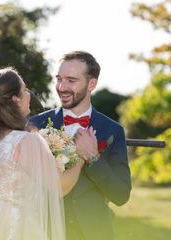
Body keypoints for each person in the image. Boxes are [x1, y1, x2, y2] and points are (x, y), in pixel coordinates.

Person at [0, 67, 84, 240]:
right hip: (16, 229)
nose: (29, 94)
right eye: (25, 90)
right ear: (15, 100)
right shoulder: (25, 141)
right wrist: (81, 154)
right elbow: (59, 187)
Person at [29, 50, 132, 240]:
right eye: (59, 79)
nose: (61, 87)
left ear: (91, 84)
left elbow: (121, 194)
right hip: (45, 231)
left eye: (71, 80)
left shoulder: (112, 130)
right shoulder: (35, 125)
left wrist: (93, 157)